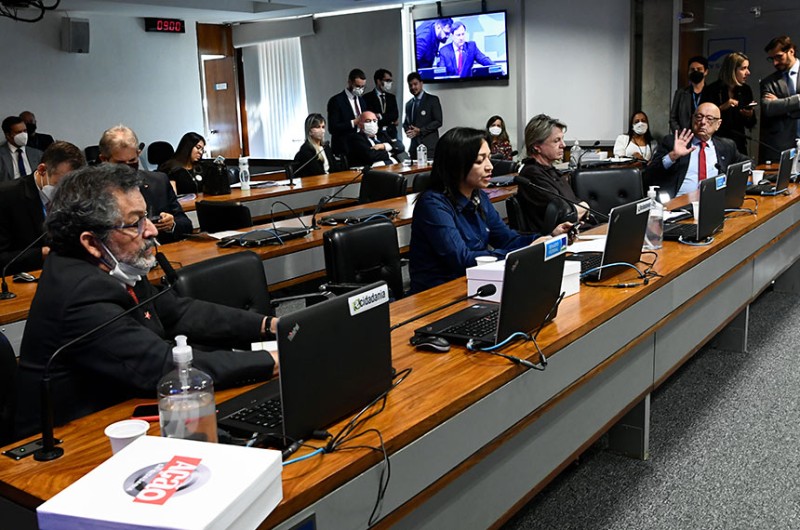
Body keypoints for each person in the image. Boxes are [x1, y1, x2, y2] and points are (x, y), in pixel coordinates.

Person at [13, 164, 279, 439]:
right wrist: (269, 360)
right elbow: (162, 367)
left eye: (146, 216)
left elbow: (177, 313)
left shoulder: (113, 263)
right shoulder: (80, 294)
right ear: (91, 242)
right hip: (71, 443)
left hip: (119, 414)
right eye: (135, 222)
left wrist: (270, 325)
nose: (151, 230)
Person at [409, 127, 572, 293]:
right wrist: (523, 250)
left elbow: (507, 239)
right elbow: (462, 260)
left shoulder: (479, 197)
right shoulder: (433, 204)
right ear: (457, 165)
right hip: (437, 295)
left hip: (474, 285)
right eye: (480, 161)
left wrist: (547, 238)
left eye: (489, 158)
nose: (490, 166)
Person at [0, 141, 85, 274]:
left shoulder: (77, 197)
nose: (67, 192)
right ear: (42, 170)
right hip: (22, 279)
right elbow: (2, 258)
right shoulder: (6, 196)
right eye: (61, 184)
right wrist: (43, 254)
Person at [98, 125, 192, 243]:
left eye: (132, 161)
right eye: (120, 163)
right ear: (104, 160)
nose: (128, 168)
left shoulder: (159, 182)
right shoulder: (94, 191)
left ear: (138, 153)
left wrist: (172, 224)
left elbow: (186, 224)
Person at [646, 102, 749, 198]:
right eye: (699, 117)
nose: (703, 122)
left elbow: (747, 163)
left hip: (712, 201)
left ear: (718, 124)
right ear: (692, 119)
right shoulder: (673, 142)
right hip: (678, 205)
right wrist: (673, 155)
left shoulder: (726, 146)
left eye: (709, 118)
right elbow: (649, 174)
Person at [516, 114, 590, 233]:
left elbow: (573, 205)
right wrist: (585, 207)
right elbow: (564, 214)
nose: (563, 145)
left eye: (562, 139)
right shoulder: (531, 175)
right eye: (556, 141)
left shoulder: (551, 170)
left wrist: (580, 210)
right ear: (537, 146)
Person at [702, 52, 756, 155]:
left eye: (747, 68)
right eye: (743, 68)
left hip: (739, 144)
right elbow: (704, 119)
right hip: (717, 143)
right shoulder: (712, 90)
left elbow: (751, 123)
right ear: (732, 70)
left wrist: (749, 115)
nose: (748, 72)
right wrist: (722, 108)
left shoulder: (746, 90)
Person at [760, 35, 800, 163]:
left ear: (791, 51)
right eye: (771, 59)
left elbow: (776, 107)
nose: (775, 63)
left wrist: (782, 106)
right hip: (782, 146)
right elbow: (769, 108)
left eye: (779, 57)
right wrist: (798, 100)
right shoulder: (769, 82)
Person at [327, 68, 367, 157]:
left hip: (361, 143)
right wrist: (354, 122)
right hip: (344, 147)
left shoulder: (362, 100)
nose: (360, 89)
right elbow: (333, 127)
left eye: (362, 87)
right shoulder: (336, 101)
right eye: (357, 86)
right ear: (350, 82)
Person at [291, 113, 346, 178]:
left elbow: (335, 169)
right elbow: (316, 172)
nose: (322, 130)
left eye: (323, 127)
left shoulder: (326, 147)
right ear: (309, 131)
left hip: (331, 183)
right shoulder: (306, 149)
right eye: (318, 127)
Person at [403, 72, 443, 160]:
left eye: (415, 84)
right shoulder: (409, 104)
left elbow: (438, 121)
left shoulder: (432, 100)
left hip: (429, 147)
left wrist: (420, 131)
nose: (413, 87)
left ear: (421, 83)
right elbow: (405, 122)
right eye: (410, 85)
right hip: (414, 148)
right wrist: (408, 131)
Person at [669, 56, 709, 132]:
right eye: (692, 69)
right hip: (685, 136)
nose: (695, 71)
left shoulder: (711, 92)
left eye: (699, 69)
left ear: (706, 71)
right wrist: (681, 134)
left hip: (705, 136)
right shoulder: (681, 93)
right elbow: (673, 118)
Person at [0, 116, 43, 182]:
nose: (23, 135)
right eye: (18, 132)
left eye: (25, 131)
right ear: (8, 135)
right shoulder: (1, 154)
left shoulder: (38, 154)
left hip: (33, 191)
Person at [364, 68, 400, 140]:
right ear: (378, 81)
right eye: (387, 80)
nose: (390, 83)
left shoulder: (391, 97)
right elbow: (370, 118)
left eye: (390, 81)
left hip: (391, 134)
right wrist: (389, 120)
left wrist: (380, 116)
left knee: (400, 148)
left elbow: (395, 115)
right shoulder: (367, 98)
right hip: (375, 135)